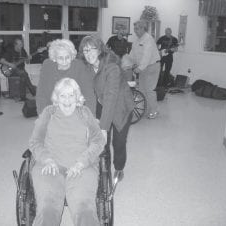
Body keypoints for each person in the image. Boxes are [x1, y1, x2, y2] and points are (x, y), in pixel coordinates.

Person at [30, 78, 106, 226]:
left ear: (77, 97)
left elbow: (98, 140)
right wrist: (47, 160)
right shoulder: (48, 113)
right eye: (62, 95)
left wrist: (82, 162)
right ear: (56, 98)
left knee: (84, 211)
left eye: (71, 95)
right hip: (50, 167)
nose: (67, 100)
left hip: (81, 168)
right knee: (48, 210)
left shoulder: (84, 113)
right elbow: (35, 142)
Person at [79, 35, 135, 181]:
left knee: (118, 141)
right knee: (101, 143)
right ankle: (105, 169)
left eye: (92, 49)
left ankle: (119, 167)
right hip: (102, 103)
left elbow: (111, 97)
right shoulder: (88, 67)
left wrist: (103, 128)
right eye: (85, 50)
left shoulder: (111, 67)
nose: (89, 53)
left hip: (121, 106)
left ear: (100, 50)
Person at [36, 39, 96, 116]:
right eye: (60, 58)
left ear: (72, 56)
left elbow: (89, 94)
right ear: (54, 58)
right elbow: (41, 94)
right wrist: (42, 116)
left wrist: (91, 118)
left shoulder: (79, 66)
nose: (64, 61)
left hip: (74, 111)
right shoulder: (47, 66)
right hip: (52, 110)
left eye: (67, 57)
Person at [128, 20, 161, 119]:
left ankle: (154, 110)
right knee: (142, 89)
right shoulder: (137, 40)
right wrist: (126, 63)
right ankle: (146, 109)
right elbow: (132, 54)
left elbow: (147, 56)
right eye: (134, 29)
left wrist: (139, 68)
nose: (135, 31)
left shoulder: (148, 39)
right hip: (143, 68)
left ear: (143, 28)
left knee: (149, 89)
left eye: (137, 28)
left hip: (152, 67)